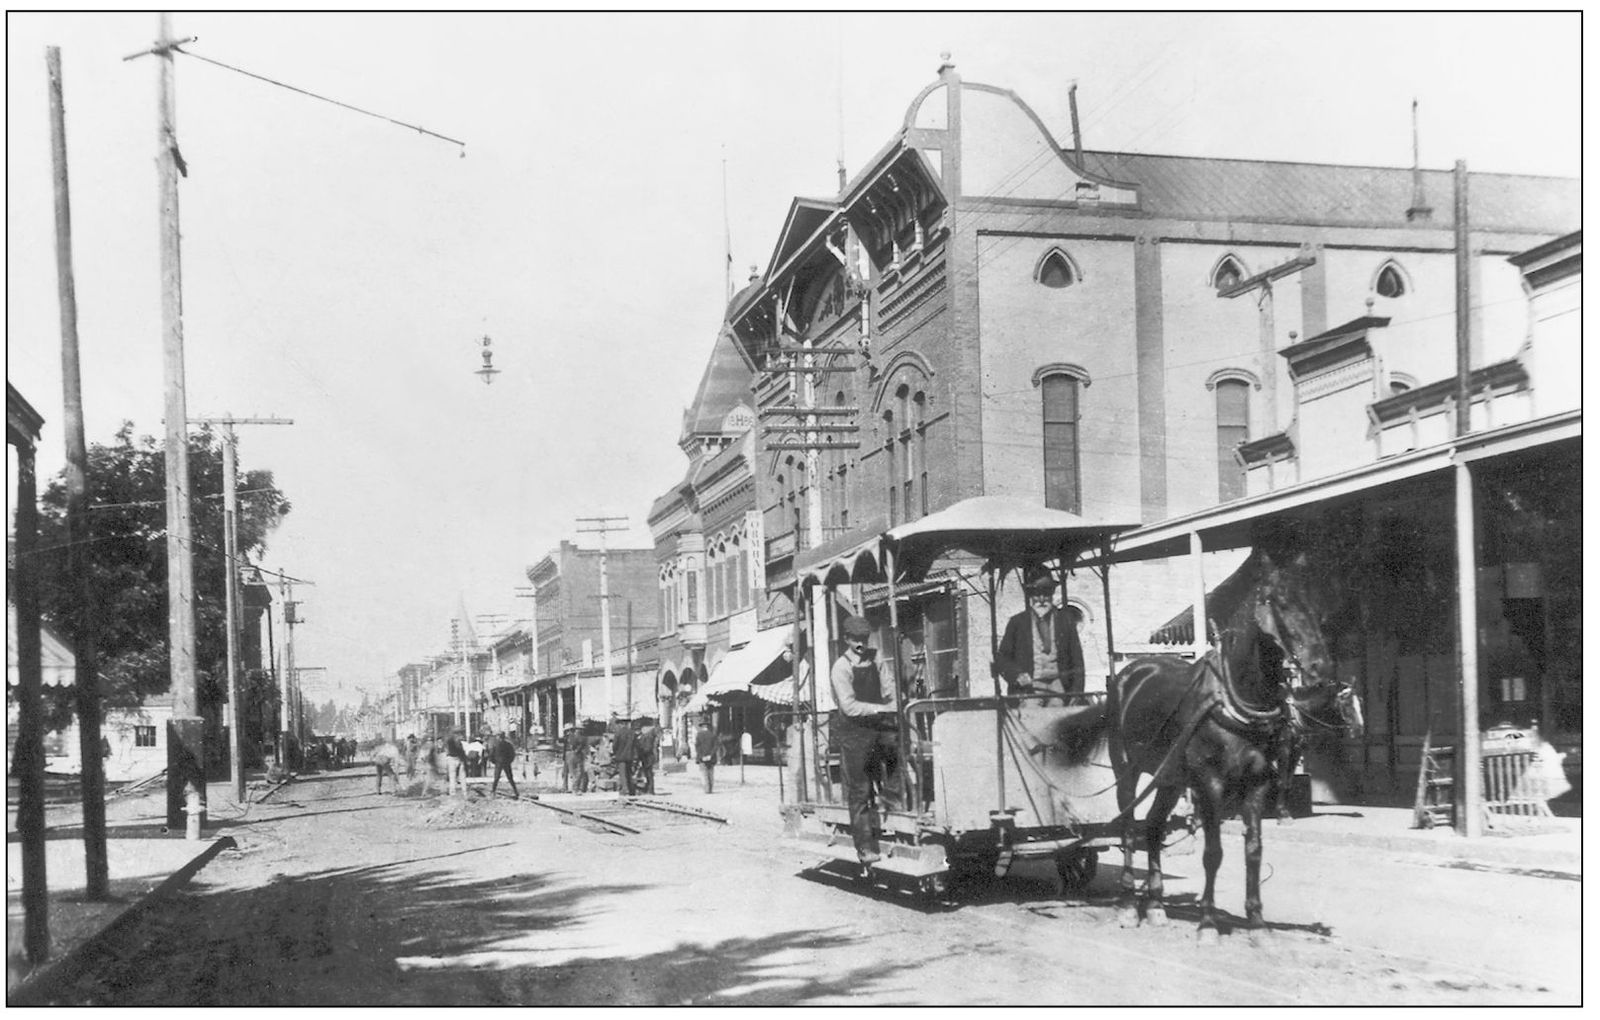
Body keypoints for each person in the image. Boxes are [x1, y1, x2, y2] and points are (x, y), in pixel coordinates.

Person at [830, 614, 903, 867]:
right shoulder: (841, 667)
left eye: (864, 639)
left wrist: (894, 702)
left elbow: (888, 685)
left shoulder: (876, 657)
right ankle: (864, 847)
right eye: (856, 640)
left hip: (877, 726)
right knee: (859, 790)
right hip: (853, 733)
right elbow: (849, 707)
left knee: (897, 749)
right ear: (847, 640)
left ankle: (890, 798)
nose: (861, 644)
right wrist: (881, 709)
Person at [994, 568, 1085, 702]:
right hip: (1029, 689)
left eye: (1046, 593)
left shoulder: (1065, 622)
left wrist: (1076, 693)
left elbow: (1077, 661)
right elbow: (1002, 658)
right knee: (1032, 715)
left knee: (1058, 715)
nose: (1041, 599)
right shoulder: (1017, 623)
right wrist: (1016, 675)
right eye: (1037, 594)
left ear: (1052, 594)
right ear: (1030, 595)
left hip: (1058, 687)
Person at [488, 731, 522, 800]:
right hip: (506, 763)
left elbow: (491, 755)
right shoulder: (508, 745)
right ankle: (516, 792)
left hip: (498, 763)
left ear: (499, 737)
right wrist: (509, 761)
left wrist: (494, 762)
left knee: (496, 778)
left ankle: (493, 792)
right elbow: (512, 754)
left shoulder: (495, 745)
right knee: (510, 778)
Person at [611, 716, 639, 796]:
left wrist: (615, 753)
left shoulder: (618, 733)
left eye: (618, 724)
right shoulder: (632, 733)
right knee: (629, 773)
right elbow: (635, 745)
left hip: (621, 757)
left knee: (622, 774)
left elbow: (615, 746)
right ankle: (631, 790)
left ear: (621, 724)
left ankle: (625, 790)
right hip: (630, 756)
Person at [635, 718, 660, 795]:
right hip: (646, 757)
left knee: (649, 774)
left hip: (647, 758)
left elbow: (647, 748)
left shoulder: (647, 736)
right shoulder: (647, 736)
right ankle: (649, 789)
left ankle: (650, 790)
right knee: (647, 774)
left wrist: (641, 751)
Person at [563, 724, 589, 794]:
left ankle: (574, 788)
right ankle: (574, 788)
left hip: (572, 754)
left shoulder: (572, 736)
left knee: (574, 772)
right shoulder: (574, 737)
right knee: (575, 772)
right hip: (573, 754)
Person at [694, 719, 718, 793]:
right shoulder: (712, 735)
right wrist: (710, 755)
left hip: (702, 758)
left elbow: (697, 747)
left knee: (703, 773)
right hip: (711, 757)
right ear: (708, 727)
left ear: (702, 727)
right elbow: (715, 746)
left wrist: (702, 756)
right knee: (711, 773)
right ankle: (710, 789)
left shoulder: (699, 735)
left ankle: (706, 789)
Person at [443, 730, 468, 797]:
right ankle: (464, 792)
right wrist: (464, 759)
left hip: (451, 759)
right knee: (462, 777)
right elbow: (461, 751)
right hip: (459, 759)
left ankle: (453, 793)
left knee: (452, 777)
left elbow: (447, 750)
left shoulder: (449, 741)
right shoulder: (459, 742)